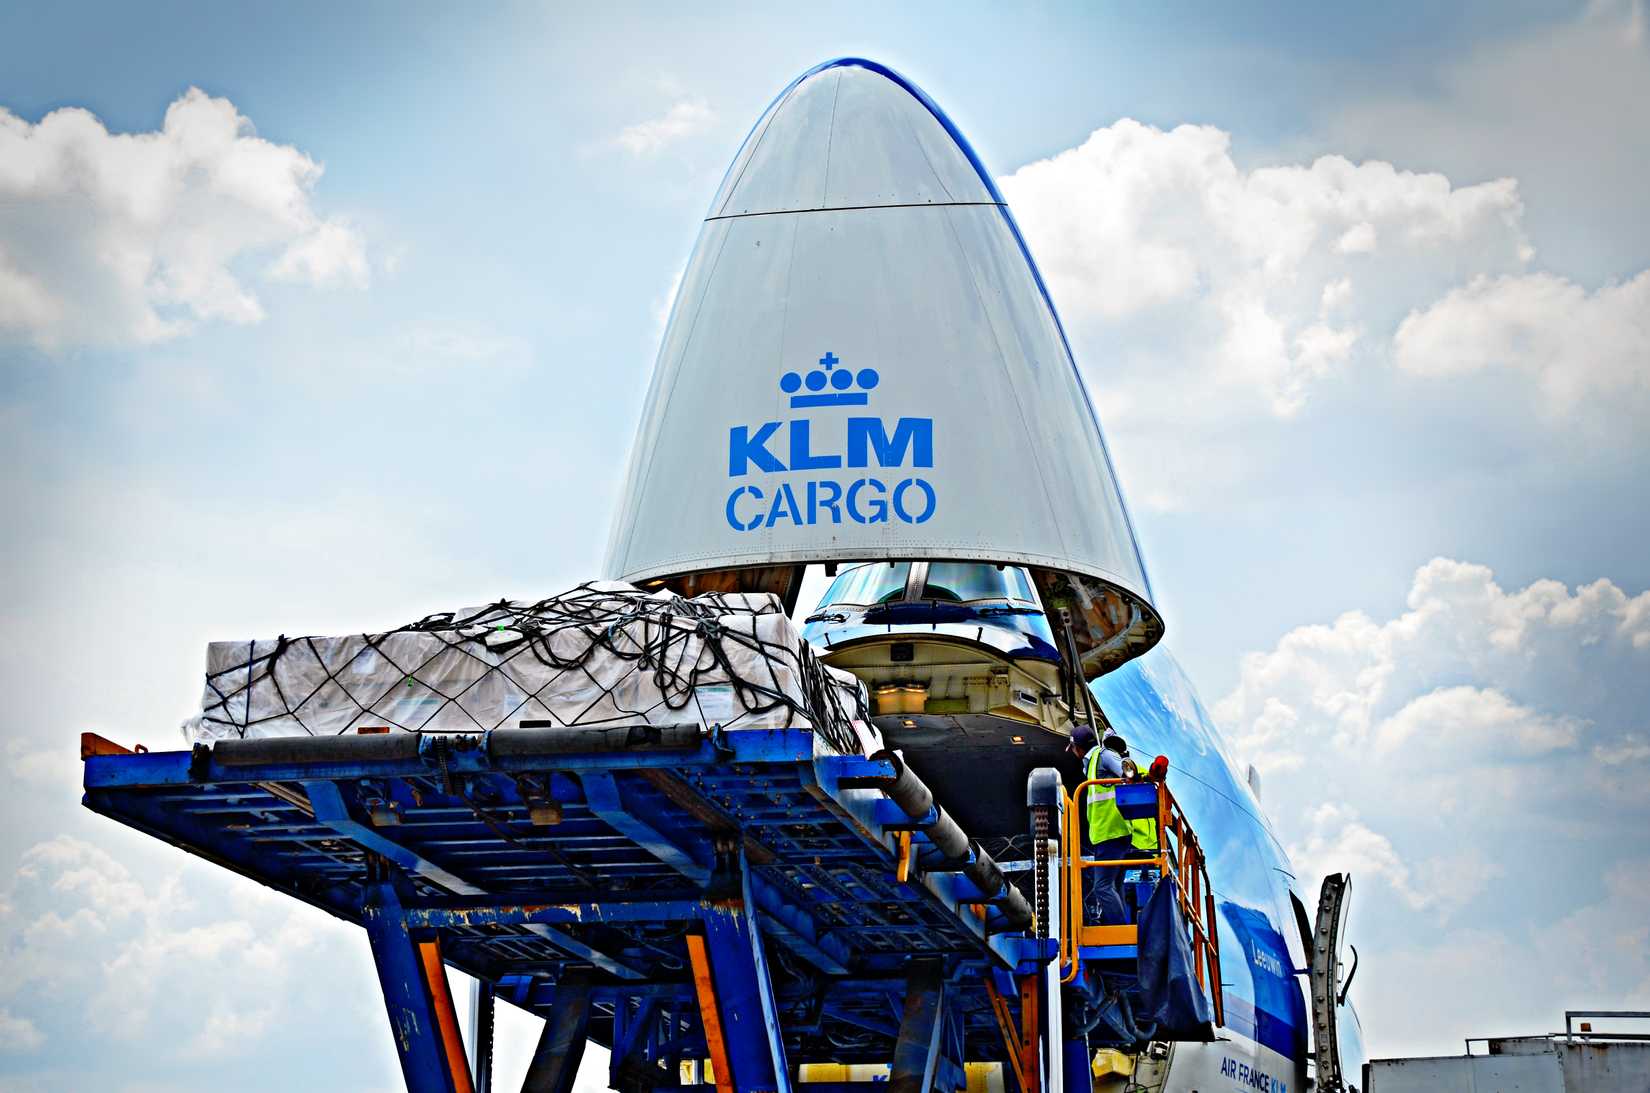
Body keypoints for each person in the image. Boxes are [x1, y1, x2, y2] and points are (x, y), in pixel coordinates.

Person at [1070, 726, 1133, 926]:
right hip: (1108, 833)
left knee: (1102, 886)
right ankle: (1119, 926)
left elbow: (1127, 771)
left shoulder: (1103, 756)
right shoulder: (1090, 764)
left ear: (1077, 748)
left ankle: (1119, 931)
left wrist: (1130, 769)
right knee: (1114, 884)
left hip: (1111, 832)